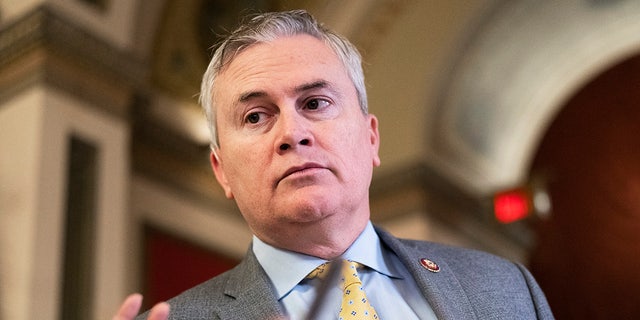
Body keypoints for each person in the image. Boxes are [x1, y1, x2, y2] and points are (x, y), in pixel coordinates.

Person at [114, 9, 554, 320]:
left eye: (315, 102)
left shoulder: (506, 289)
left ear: (370, 137)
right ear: (221, 170)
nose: (292, 132)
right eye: (255, 116)